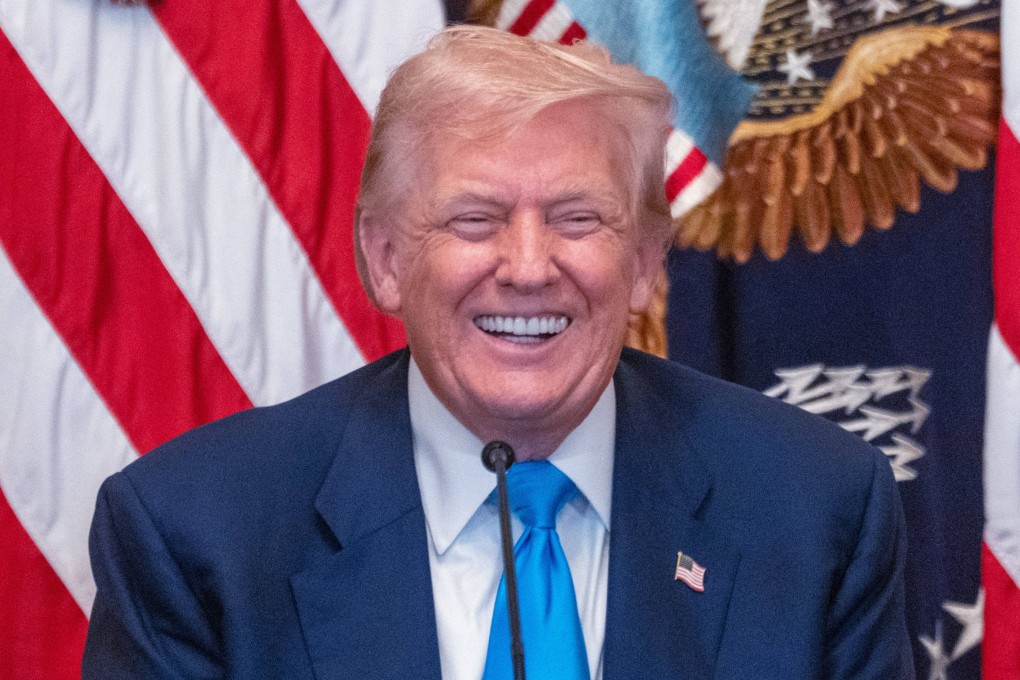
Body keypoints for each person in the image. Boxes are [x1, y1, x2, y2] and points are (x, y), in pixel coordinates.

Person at [83, 25, 914, 679]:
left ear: (646, 263)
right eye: (474, 219)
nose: (527, 268)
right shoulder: (196, 532)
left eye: (578, 219)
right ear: (385, 259)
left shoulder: (816, 511)